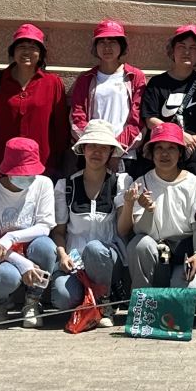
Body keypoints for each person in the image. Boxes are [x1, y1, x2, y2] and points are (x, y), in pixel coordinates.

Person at [48, 120, 132, 327]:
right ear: (83, 149)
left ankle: (105, 303)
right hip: (74, 262)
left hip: (108, 259)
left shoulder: (120, 182)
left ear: (111, 152)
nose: (97, 152)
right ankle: (89, 302)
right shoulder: (66, 186)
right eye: (92, 146)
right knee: (62, 298)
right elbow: (58, 232)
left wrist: (129, 204)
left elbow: (123, 230)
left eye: (103, 147)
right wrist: (63, 255)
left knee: (94, 248)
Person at [0, 138, 57, 327]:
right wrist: (24, 264)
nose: (27, 177)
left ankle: (33, 301)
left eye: (31, 173)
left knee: (47, 248)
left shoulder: (43, 184)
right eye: (21, 173)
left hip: (30, 249)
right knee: (9, 276)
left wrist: (11, 237)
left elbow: (45, 226)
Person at [120, 123, 196, 292]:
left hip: (183, 252)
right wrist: (149, 211)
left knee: (187, 290)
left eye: (171, 148)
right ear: (152, 153)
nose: (164, 153)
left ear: (180, 152)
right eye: (159, 148)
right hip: (157, 251)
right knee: (139, 244)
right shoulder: (141, 183)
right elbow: (140, 232)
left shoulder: (194, 183)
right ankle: (143, 299)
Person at [0, 24, 70, 182]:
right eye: (21, 46)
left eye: (33, 47)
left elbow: (60, 128)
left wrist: (59, 164)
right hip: (3, 163)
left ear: (41, 54)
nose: (26, 52)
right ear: (13, 51)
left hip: (42, 164)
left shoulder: (52, 82)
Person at [67, 19, 146, 167]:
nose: (107, 47)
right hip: (92, 154)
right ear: (95, 47)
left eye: (113, 42)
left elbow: (138, 120)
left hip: (125, 154)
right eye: (102, 42)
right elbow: (77, 116)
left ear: (121, 45)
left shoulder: (135, 77)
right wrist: (95, 147)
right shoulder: (85, 78)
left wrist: (116, 150)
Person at [140, 24, 196, 175]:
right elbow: (150, 119)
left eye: (193, 48)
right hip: (163, 153)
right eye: (181, 46)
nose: (187, 52)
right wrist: (177, 135)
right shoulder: (157, 83)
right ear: (172, 50)